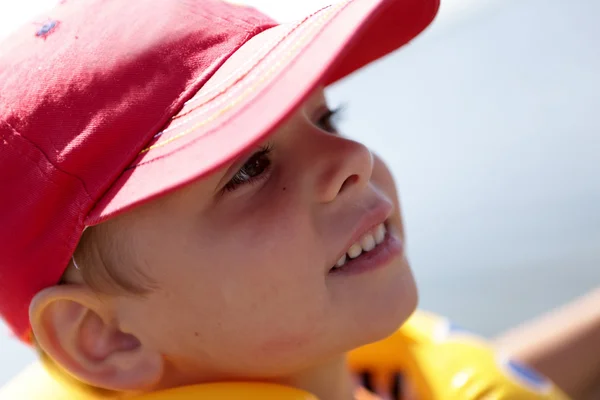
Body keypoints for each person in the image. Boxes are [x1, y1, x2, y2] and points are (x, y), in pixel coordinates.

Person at [0, 0, 598, 399]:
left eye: (327, 118)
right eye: (249, 169)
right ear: (105, 337)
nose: (353, 159)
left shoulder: (310, 363)